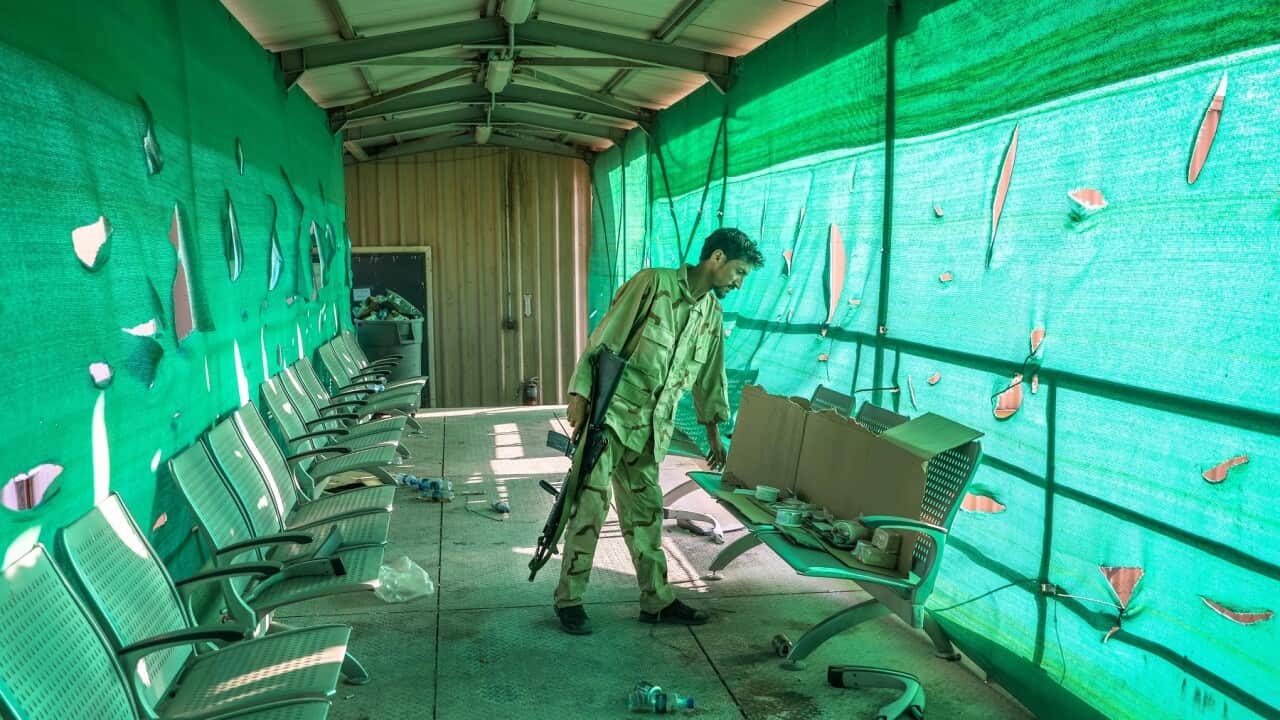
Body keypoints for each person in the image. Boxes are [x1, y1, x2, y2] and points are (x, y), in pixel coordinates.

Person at [554, 227, 764, 635]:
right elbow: (606, 337)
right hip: (612, 417)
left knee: (647, 515)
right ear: (716, 258)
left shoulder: (711, 315)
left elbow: (710, 376)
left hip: (652, 430)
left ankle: (657, 601)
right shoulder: (653, 284)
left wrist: (713, 432)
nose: (739, 283)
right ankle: (570, 599)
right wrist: (579, 394)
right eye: (739, 272)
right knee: (590, 506)